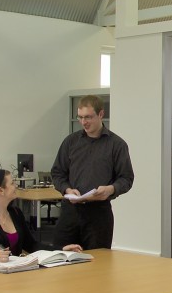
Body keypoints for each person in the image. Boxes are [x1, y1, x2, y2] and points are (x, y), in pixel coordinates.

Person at [51, 95, 134, 250]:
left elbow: (126, 178)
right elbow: (57, 173)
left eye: (88, 117)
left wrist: (111, 189)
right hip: (70, 212)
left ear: (101, 114)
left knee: (98, 260)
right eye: (80, 117)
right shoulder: (70, 142)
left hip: (99, 214)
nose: (84, 122)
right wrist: (67, 190)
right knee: (60, 257)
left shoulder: (117, 145)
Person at [0, 169, 83, 265]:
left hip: (16, 272)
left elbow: (32, 245)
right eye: (12, 183)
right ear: (1, 190)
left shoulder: (16, 213)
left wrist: (61, 249)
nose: (16, 186)